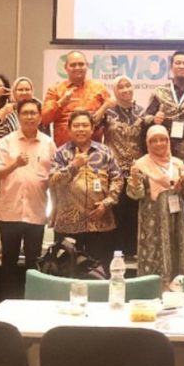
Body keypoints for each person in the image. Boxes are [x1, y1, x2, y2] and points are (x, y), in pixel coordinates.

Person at [0, 99, 56, 299]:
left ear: (40, 116)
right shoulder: (7, 141)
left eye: (33, 113)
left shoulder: (48, 143)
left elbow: (55, 178)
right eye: (25, 113)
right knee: (8, 262)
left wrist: (55, 207)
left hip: (36, 212)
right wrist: (14, 165)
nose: (29, 117)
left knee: (33, 264)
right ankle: (7, 303)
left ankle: (32, 302)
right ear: (18, 116)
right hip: (10, 212)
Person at [49, 110, 123, 263]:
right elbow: (54, 182)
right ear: (69, 130)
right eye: (76, 126)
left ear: (92, 129)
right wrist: (74, 166)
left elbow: (117, 179)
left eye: (85, 125)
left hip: (100, 223)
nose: (81, 129)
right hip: (68, 225)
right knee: (67, 270)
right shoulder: (60, 153)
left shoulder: (105, 152)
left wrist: (107, 203)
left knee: (99, 270)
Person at [127, 125, 184, 287]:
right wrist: (134, 180)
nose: (159, 144)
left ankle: (177, 287)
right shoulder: (141, 164)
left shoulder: (177, 163)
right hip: (152, 219)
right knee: (153, 251)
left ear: (168, 141)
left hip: (176, 216)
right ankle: (151, 288)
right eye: (154, 141)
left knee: (176, 249)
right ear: (148, 143)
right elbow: (136, 194)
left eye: (163, 139)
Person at [101, 75, 145, 256]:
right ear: (114, 90)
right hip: (114, 169)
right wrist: (104, 107)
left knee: (134, 212)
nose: (126, 89)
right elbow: (91, 124)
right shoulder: (108, 112)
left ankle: (133, 252)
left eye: (128, 86)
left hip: (136, 169)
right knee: (116, 210)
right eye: (121, 87)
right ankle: (114, 253)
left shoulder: (142, 112)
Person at [42, 51, 111, 147]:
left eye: (81, 64)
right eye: (73, 65)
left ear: (87, 66)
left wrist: (102, 110)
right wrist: (61, 103)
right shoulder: (55, 90)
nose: (77, 67)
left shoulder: (98, 88)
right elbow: (44, 119)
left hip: (94, 149)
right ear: (66, 68)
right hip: (64, 149)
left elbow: (113, 105)